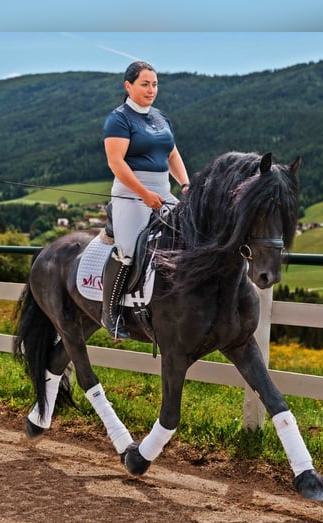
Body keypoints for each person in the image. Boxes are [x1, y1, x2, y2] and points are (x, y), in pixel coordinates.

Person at [101, 60, 190, 340]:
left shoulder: (161, 117)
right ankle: (110, 312)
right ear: (128, 86)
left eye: (155, 84)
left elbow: (172, 155)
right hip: (131, 195)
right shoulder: (119, 119)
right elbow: (116, 163)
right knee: (128, 249)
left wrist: (185, 185)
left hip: (163, 191)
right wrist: (143, 193)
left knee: (191, 235)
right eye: (145, 84)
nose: (151, 90)